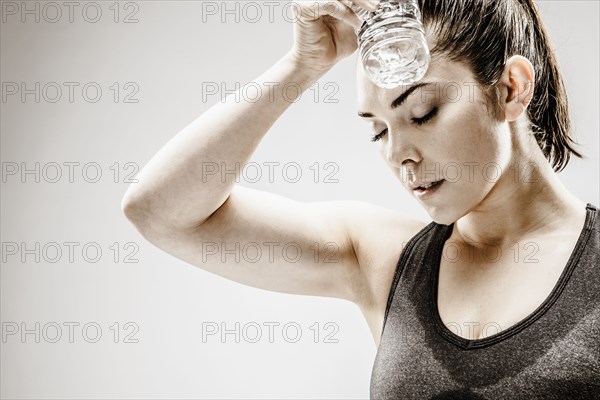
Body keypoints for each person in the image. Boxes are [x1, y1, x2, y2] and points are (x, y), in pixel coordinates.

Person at [121, 0, 599, 397]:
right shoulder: (384, 261)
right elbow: (160, 212)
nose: (399, 154)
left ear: (511, 88)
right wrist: (302, 65)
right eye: (377, 131)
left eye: (422, 112)